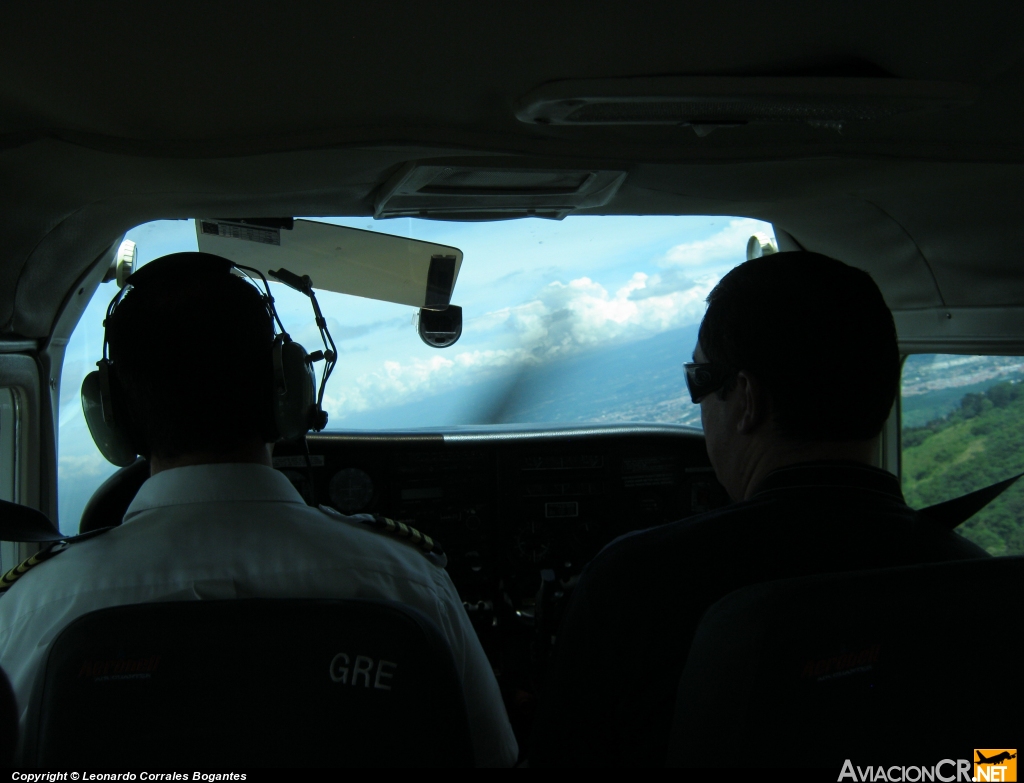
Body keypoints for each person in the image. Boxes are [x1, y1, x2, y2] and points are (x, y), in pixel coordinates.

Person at [0, 252, 518, 767]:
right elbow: (491, 756)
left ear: (111, 414)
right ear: (288, 390)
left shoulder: (36, 609)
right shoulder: (408, 582)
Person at [528, 251, 987, 767]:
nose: (699, 408)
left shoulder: (637, 583)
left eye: (699, 380)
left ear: (746, 399)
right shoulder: (977, 580)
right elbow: (993, 766)